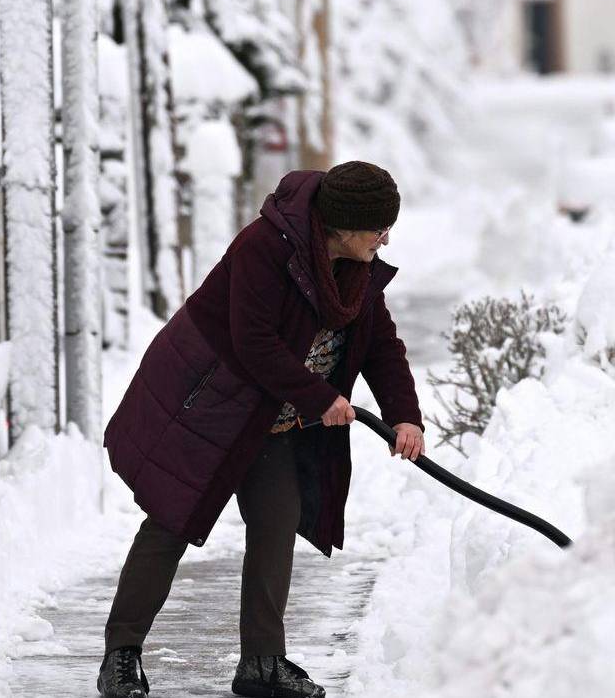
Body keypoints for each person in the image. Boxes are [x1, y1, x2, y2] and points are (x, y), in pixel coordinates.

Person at [97, 161, 425, 698]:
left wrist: (404, 415)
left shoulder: (356, 268)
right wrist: (322, 398)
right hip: (208, 405)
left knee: (277, 520)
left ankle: (262, 664)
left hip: (275, 418)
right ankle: (121, 655)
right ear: (343, 226)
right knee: (171, 522)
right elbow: (252, 342)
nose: (385, 238)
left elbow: (381, 344)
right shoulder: (265, 248)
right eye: (378, 228)